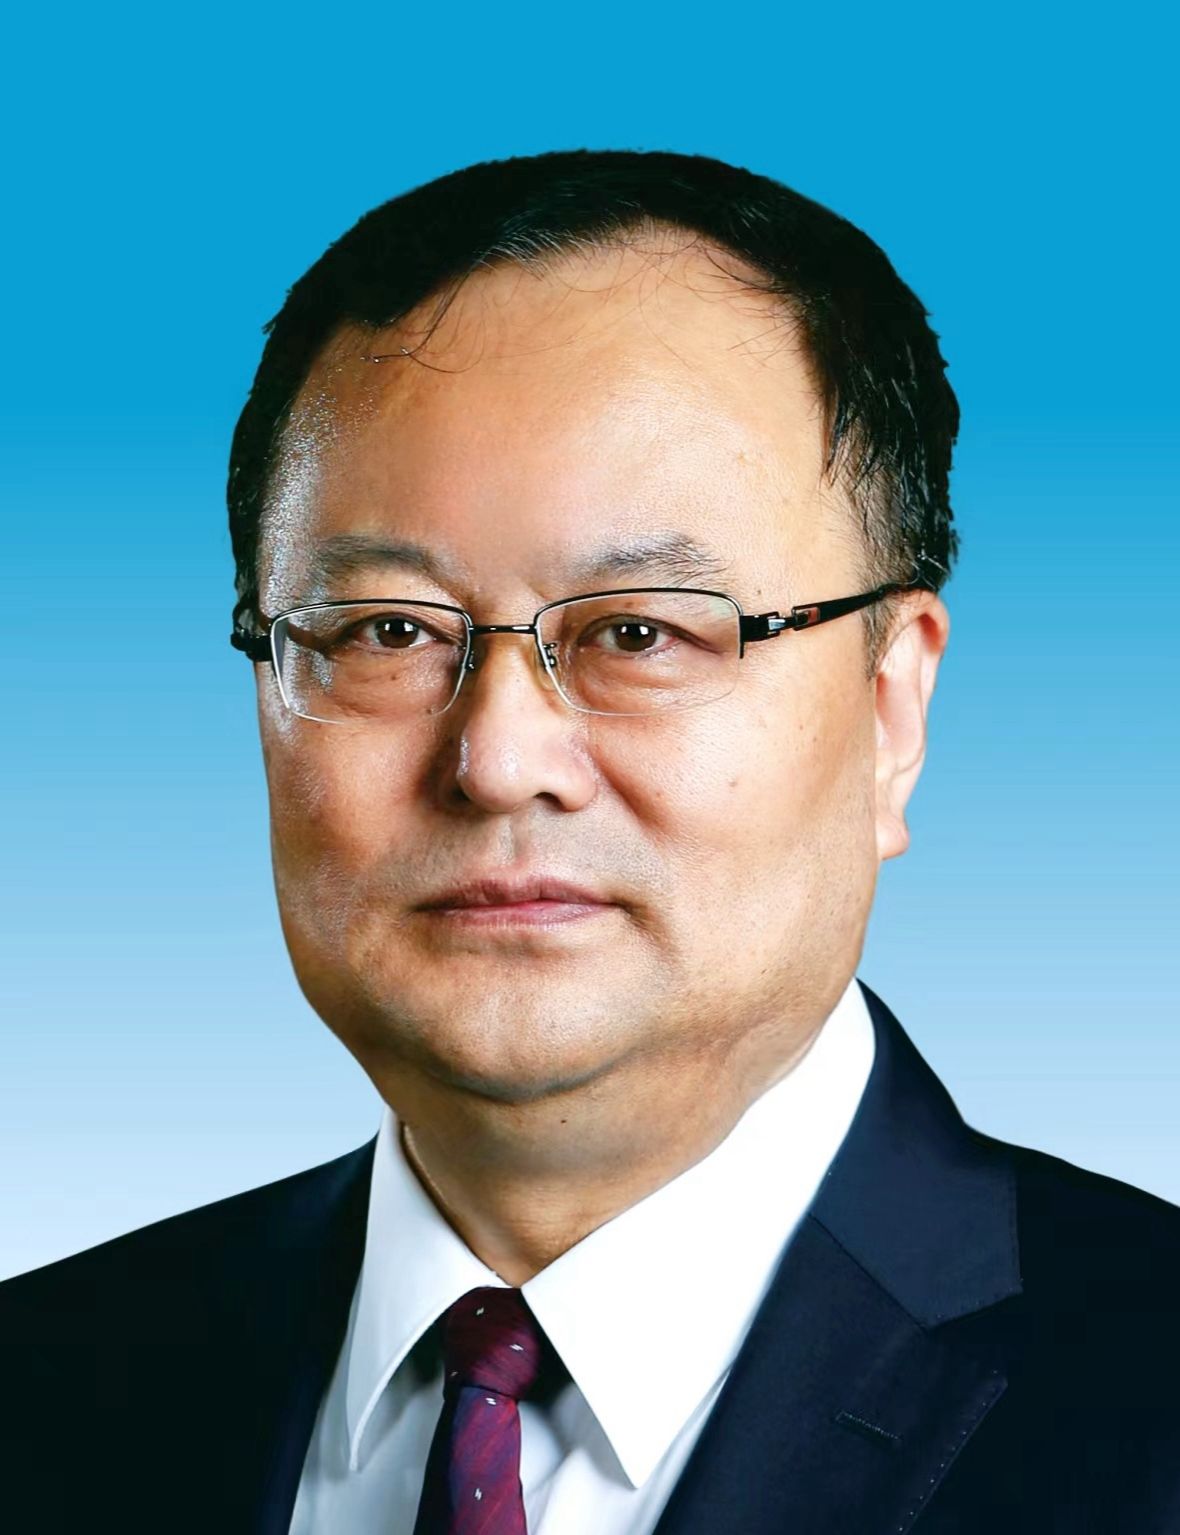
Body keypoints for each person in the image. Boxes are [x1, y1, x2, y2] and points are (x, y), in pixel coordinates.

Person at [1, 148, 1177, 1533]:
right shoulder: (51, 1382)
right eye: (386, 631)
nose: (499, 761)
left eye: (638, 631)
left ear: (890, 708)